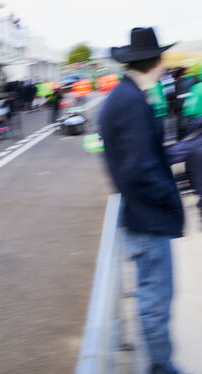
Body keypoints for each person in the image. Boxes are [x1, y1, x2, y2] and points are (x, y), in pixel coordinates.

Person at [99, 27, 184, 374]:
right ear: (155, 62)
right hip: (147, 218)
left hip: (138, 215)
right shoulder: (133, 101)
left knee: (153, 298)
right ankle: (161, 367)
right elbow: (139, 169)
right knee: (156, 300)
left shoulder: (123, 96)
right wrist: (169, 196)